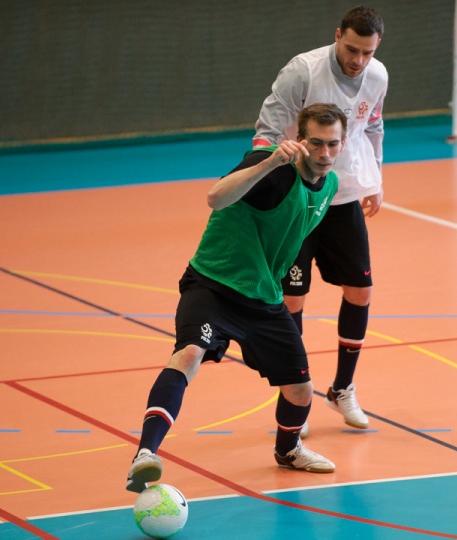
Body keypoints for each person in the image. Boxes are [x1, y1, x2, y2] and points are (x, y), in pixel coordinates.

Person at [125, 103, 347, 493]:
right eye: (316, 143)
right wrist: (269, 162)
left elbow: (291, 231)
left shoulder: (329, 185)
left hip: (263, 297)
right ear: (299, 139)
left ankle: (288, 450)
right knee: (189, 354)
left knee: (300, 390)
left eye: (333, 144)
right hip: (213, 284)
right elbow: (215, 197)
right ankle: (145, 454)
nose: (324, 153)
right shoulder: (270, 166)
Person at [252, 5, 388, 431]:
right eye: (352, 49)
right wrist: (266, 179)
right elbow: (266, 130)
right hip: (299, 198)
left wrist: (375, 178)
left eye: (367, 52)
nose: (358, 61)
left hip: (344, 195)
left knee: (361, 290)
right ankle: (297, 389)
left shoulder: (378, 75)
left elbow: (373, 126)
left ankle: (342, 389)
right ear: (337, 35)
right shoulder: (303, 71)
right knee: (292, 300)